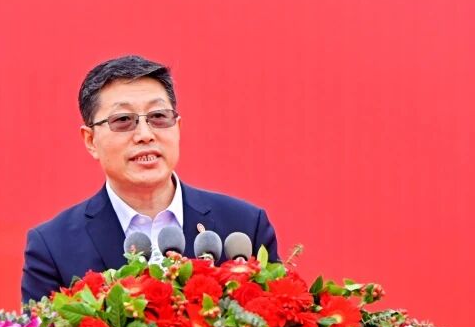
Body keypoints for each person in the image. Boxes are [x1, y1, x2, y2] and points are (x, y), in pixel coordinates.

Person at [20, 54, 280, 304]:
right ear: (90, 140)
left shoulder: (244, 225)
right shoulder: (53, 247)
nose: (145, 135)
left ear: (178, 128)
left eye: (158, 117)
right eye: (123, 120)